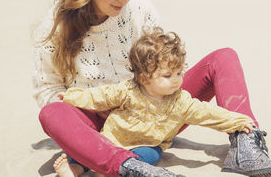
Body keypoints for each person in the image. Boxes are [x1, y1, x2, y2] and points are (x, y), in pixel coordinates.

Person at [34, 0, 271, 177]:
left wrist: (157, 93)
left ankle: (245, 145)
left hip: (156, 109)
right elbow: (47, 88)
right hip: (95, 125)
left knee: (223, 57)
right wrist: (85, 117)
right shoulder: (56, 25)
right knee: (52, 112)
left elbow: (159, 59)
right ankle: (126, 166)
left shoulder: (140, 9)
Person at [55, 27, 258, 176]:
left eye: (179, 72)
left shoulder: (180, 100)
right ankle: (74, 168)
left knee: (151, 156)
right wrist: (72, 96)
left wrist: (238, 121)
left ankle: (114, 171)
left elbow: (208, 114)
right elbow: (99, 96)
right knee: (86, 150)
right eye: (168, 75)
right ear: (144, 77)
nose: (177, 80)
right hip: (112, 139)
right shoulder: (128, 91)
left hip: (145, 145)